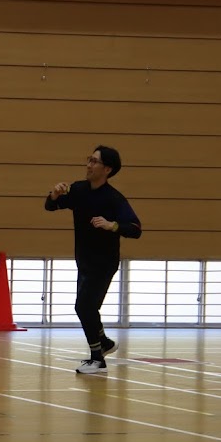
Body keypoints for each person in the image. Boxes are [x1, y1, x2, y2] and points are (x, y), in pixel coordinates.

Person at [45, 146, 141, 374]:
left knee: (84, 306)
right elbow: (50, 206)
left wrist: (112, 225)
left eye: (95, 161)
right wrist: (55, 194)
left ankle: (98, 359)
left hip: (104, 262)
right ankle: (104, 343)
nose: (89, 165)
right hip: (84, 260)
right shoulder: (79, 189)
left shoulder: (114, 198)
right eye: (89, 159)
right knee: (88, 308)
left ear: (107, 169)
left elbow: (135, 228)